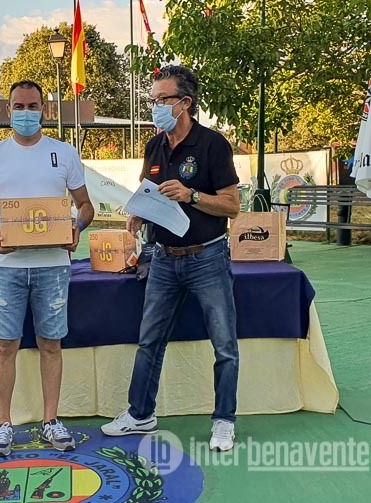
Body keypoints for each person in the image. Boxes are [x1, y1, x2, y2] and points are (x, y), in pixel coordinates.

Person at [101, 65, 241, 451]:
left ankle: (224, 421)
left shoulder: (213, 145)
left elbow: (232, 205)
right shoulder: (154, 146)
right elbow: (149, 192)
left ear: (186, 102)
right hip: (162, 258)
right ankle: (140, 414)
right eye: (153, 100)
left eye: (163, 99)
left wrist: (191, 195)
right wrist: (138, 213)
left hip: (207, 257)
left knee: (224, 344)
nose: (156, 107)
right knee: (149, 340)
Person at [0, 80, 94, 456]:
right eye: (19, 106)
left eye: (33, 106)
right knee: (4, 346)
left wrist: (77, 226)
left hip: (52, 265)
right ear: (8, 111)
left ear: (44, 110)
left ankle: (51, 420)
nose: (26, 112)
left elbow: (86, 205)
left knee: (50, 344)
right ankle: (3, 424)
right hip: (6, 266)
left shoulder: (64, 153)